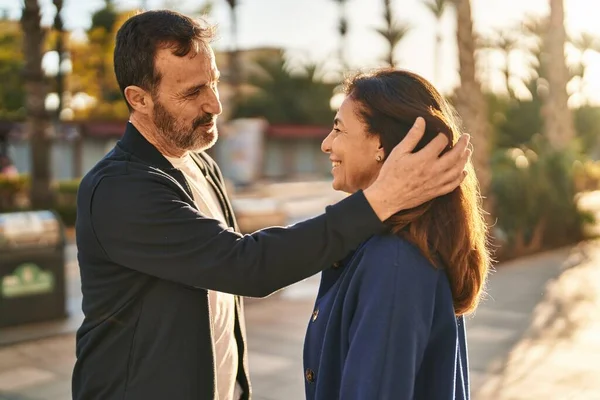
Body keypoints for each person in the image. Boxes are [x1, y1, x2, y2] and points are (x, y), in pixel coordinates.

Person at [72, 10, 471, 400]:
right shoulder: (119, 190)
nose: (215, 105)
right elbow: (245, 265)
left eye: (213, 82)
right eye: (193, 92)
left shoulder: (201, 165)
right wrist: (381, 200)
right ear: (138, 99)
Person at [303, 69, 490, 400]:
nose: (326, 144)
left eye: (338, 129)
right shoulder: (388, 247)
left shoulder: (394, 263)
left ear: (381, 144)